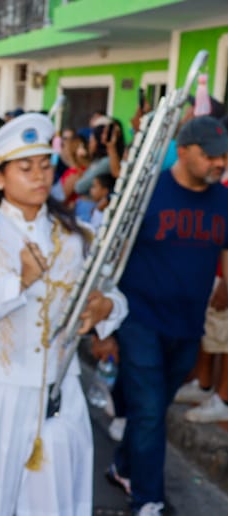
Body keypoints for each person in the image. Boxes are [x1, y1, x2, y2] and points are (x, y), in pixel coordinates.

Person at [0, 113, 127, 516]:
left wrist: (106, 308)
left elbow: (115, 296)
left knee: (50, 503)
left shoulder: (78, 236)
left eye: (45, 165)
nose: (39, 176)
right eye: (25, 167)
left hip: (58, 391)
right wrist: (19, 283)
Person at [107, 116, 228, 515]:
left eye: (224, 156)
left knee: (153, 410)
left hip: (187, 325)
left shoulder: (222, 200)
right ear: (185, 150)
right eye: (211, 155)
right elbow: (113, 254)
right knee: (146, 410)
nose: (220, 163)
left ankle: (122, 467)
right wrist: (104, 326)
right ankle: (149, 501)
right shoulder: (147, 195)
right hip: (140, 319)